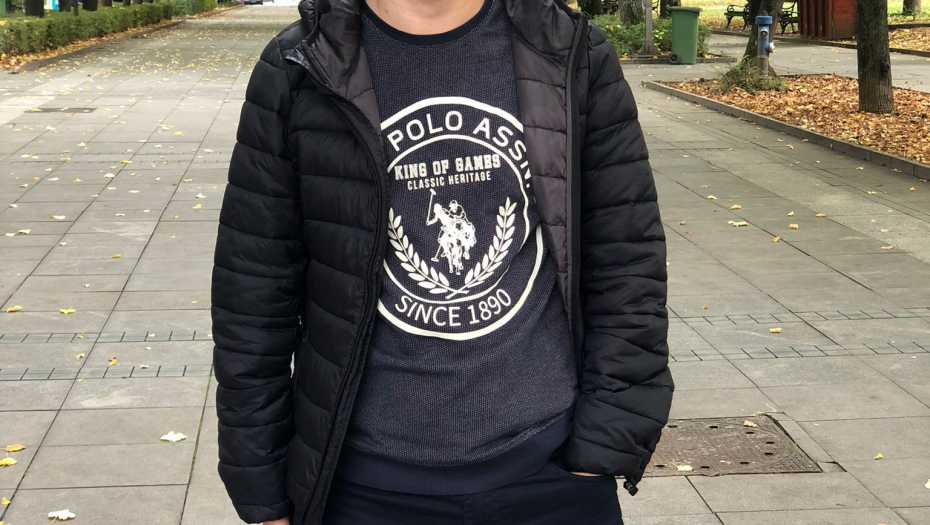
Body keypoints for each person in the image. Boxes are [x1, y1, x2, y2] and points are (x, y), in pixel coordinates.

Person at [210, 0, 673, 524]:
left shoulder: (569, 50)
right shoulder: (299, 66)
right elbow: (253, 294)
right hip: (361, 488)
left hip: (551, 475)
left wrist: (604, 441)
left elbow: (627, 261)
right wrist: (262, 488)